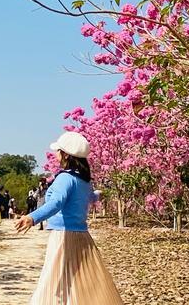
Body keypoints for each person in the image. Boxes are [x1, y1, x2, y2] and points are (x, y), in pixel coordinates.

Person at [15, 131, 123, 305]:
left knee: (54, 280)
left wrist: (33, 217)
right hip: (82, 236)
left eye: (58, 150)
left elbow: (57, 202)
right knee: (79, 280)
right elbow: (89, 197)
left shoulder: (65, 178)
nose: (56, 153)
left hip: (63, 236)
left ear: (65, 154)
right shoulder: (84, 180)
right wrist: (98, 194)